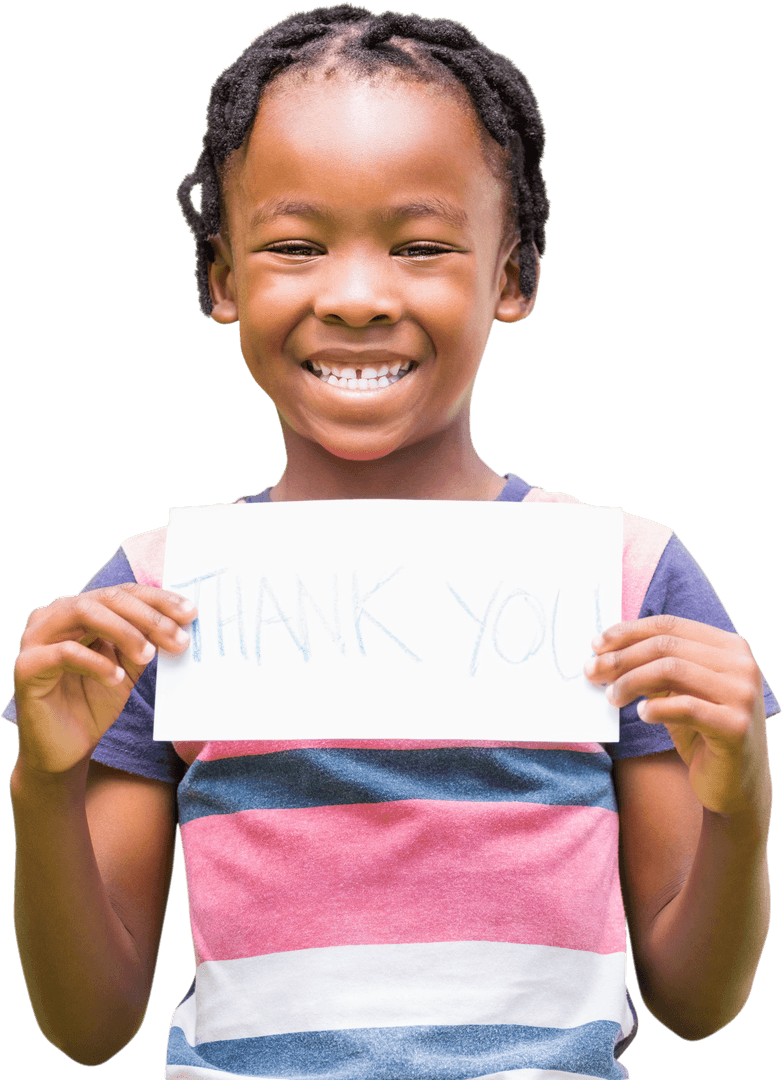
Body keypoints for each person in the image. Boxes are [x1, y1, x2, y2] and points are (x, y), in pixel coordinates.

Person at [6, 4, 777, 1078]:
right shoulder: (151, 598)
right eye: (294, 245)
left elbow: (696, 1002)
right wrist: (42, 783)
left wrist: (740, 797)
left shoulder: (627, 579)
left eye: (418, 246)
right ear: (220, 277)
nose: (358, 296)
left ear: (511, 274)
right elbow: (86, 1027)